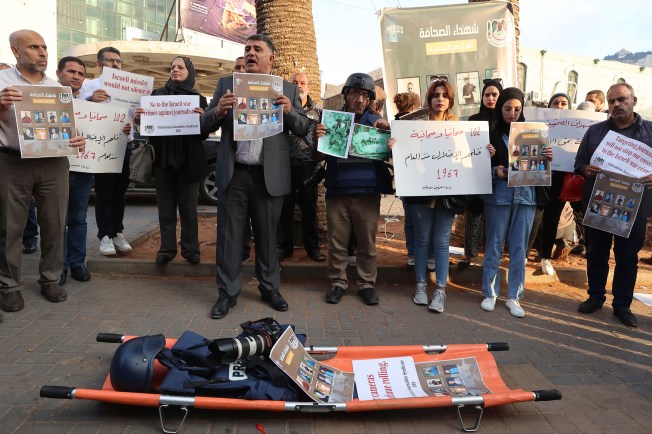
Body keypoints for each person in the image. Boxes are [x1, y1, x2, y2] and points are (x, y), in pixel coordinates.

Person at [201, 34, 310, 319]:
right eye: (247, 48)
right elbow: (202, 125)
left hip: (268, 178)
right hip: (234, 175)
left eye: (257, 49)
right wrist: (218, 111)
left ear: (270, 59)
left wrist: (289, 112)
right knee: (229, 238)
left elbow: (303, 128)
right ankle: (227, 294)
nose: (250, 53)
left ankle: (270, 288)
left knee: (268, 237)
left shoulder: (287, 89)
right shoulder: (226, 84)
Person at [0, 30, 86, 313]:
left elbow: (66, 126)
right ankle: (9, 286)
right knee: (10, 228)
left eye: (44, 47)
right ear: (16, 51)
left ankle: (50, 279)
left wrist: (77, 138)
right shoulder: (2, 82)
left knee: (54, 224)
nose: (42, 52)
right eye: (34, 47)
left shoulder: (56, 88)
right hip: (12, 162)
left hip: (54, 163)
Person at [389, 80, 479, 313]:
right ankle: (420, 286)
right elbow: (406, 155)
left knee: (441, 242)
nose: (440, 99)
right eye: (436, 95)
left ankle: (440, 290)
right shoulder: (415, 126)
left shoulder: (459, 127)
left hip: (448, 193)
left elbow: (470, 157)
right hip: (421, 191)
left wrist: (484, 152)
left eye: (444, 95)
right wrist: (394, 148)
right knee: (421, 241)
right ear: (429, 99)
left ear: (450, 100)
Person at [575, 83, 652, 327]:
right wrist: (586, 169)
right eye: (611, 101)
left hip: (634, 208)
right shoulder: (595, 132)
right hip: (600, 204)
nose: (616, 105)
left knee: (627, 257)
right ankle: (595, 297)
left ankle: (622, 305)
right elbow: (579, 162)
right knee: (596, 253)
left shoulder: (650, 132)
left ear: (634, 101)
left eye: (621, 99)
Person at [315, 73, 393, 306]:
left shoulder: (378, 123)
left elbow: (393, 155)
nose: (359, 99)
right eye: (354, 94)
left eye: (364, 95)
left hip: (367, 193)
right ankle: (338, 283)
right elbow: (316, 157)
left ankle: (366, 284)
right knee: (337, 242)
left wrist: (389, 136)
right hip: (338, 191)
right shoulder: (333, 121)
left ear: (370, 99)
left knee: (366, 243)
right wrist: (317, 139)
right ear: (346, 96)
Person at [58, 56, 131, 286]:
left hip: (82, 168)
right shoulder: (51, 98)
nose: (76, 76)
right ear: (59, 74)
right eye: (71, 72)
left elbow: (102, 125)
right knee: (57, 221)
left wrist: (123, 128)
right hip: (55, 168)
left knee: (78, 219)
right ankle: (59, 267)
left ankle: (77, 263)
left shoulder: (86, 99)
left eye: (80, 73)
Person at [481, 87, 553, 318]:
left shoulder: (533, 135)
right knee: (494, 246)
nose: (512, 113)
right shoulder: (489, 134)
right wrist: (495, 170)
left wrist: (547, 159)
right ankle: (490, 293)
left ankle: (514, 296)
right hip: (498, 198)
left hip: (525, 198)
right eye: (507, 108)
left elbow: (540, 170)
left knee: (520, 249)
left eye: (517, 109)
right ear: (500, 108)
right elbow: (475, 166)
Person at [136, 56, 207, 266]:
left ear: (189, 72)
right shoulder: (156, 96)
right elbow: (148, 129)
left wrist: (202, 120)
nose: (175, 70)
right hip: (163, 163)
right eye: (173, 67)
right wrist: (140, 119)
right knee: (165, 209)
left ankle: (191, 250)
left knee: (189, 210)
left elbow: (203, 135)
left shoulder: (198, 99)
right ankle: (167, 250)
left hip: (188, 164)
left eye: (180, 67)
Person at [79, 46, 134, 256]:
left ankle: (117, 232)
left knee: (120, 193)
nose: (115, 64)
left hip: (124, 144)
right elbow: (77, 109)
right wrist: (91, 100)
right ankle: (104, 235)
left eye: (118, 61)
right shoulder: (89, 86)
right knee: (104, 194)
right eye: (110, 60)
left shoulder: (129, 88)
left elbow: (134, 117)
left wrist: (134, 124)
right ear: (99, 64)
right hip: (101, 145)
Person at [278, 72, 326, 263]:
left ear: (308, 86)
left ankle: (313, 249)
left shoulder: (319, 111)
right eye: (295, 82)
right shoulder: (282, 107)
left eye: (303, 82)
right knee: (285, 210)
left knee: (309, 210)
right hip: (286, 165)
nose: (299, 85)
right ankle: (285, 248)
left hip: (308, 166)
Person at [460, 78, 503, 270]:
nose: (491, 98)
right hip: (476, 174)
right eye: (487, 94)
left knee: (495, 219)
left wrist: (496, 155)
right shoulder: (473, 120)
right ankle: (469, 255)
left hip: (500, 176)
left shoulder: (505, 121)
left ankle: (493, 257)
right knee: (474, 213)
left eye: (495, 95)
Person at [538, 93, 572, 276]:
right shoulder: (539, 124)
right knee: (533, 218)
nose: (559, 106)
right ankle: (525, 254)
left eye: (564, 103)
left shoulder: (575, 129)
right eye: (556, 103)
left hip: (559, 179)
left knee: (552, 218)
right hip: (537, 176)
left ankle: (545, 257)